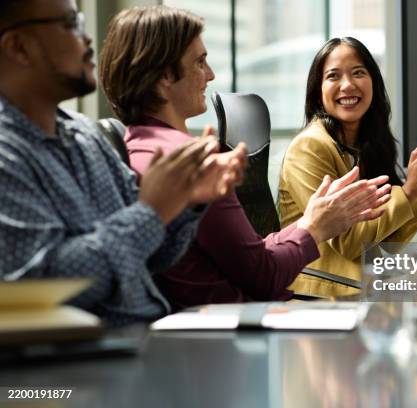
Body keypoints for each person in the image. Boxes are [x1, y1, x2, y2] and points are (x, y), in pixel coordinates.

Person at [98, 6, 392, 308]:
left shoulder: (138, 149)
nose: (210, 75)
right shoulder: (194, 162)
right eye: (200, 63)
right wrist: (314, 228)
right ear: (164, 76)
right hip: (235, 325)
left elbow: (251, 258)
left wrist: (310, 223)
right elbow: (263, 275)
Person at [0, 0, 246, 325]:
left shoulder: (84, 134)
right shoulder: (7, 151)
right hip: (77, 361)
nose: (87, 39)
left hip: (142, 338)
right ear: (19, 47)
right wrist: (152, 212)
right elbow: (45, 285)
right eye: (71, 23)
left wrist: (186, 203)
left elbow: (153, 255)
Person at [278, 37, 417, 298]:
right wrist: (409, 190)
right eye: (333, 76)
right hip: (318, 297)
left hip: (359, 293)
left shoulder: (364, 145)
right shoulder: (309, 148)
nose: (347, 85)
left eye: (358, 73)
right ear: (318, 90)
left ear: (373, 82)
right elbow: (348, 242)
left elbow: (389, 244)